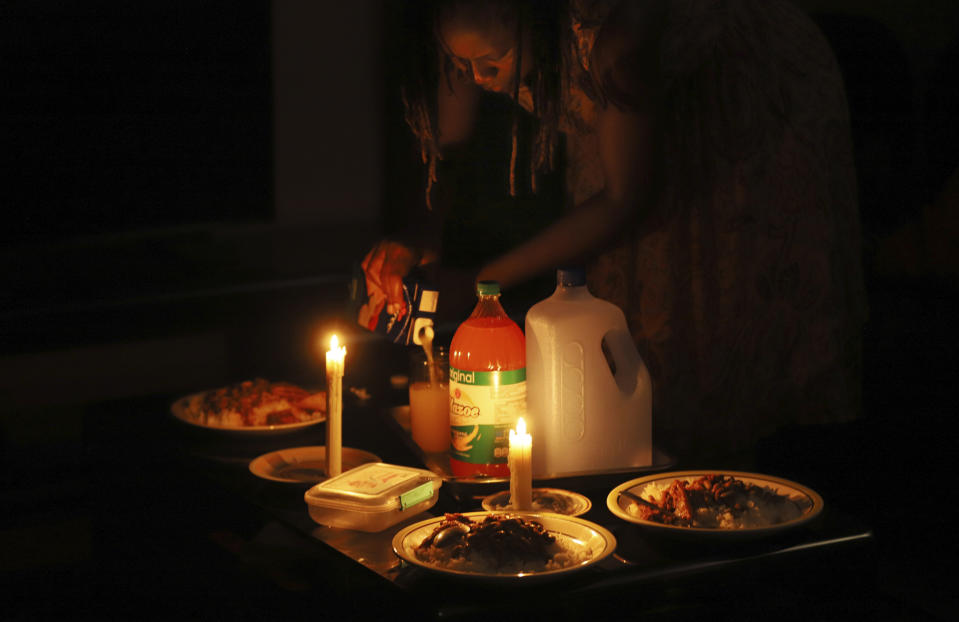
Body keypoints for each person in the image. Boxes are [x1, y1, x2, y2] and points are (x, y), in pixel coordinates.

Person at [362, 0, 868, 462]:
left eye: (490, 63)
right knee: (629, 312)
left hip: (747, 116)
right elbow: (449, 146)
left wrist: (479, 285)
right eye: (459, 64)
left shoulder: (616, 39)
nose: (476, 78)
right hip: (631, 116)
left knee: (710, 311)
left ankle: (743, 489)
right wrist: (419, 238)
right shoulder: (475, 23)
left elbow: (627, 198)